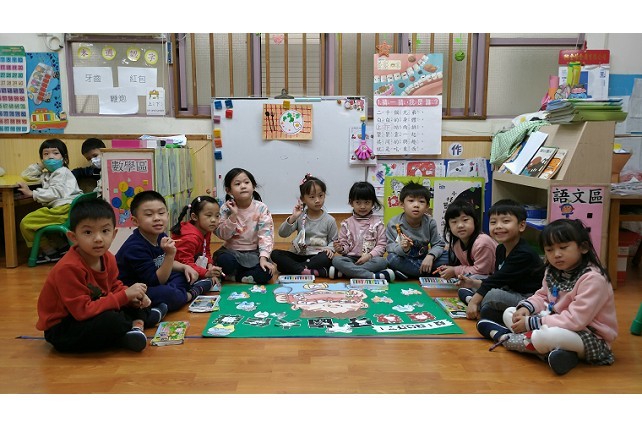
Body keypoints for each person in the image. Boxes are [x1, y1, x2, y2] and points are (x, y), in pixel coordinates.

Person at [476, 219, 618, 376]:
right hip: (554, 322)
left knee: (545, 336)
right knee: (510, 312)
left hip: (588, 336)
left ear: (583, 247)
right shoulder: (553, 271)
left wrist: (532, 323)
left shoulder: (593, 279)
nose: (556, 255)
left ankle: (503, 337)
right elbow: (543, 296)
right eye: (549, 250)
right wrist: (526, 308)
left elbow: (575, 320)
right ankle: (560, 354)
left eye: (563, 248)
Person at [36, 198, 168, 353]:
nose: (98, 239)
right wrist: (124, 296)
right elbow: (82, 311)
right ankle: (134, 327)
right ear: (73, 237)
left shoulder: (108, 258)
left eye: (105, 231)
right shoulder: (68, 268)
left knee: (137, 299)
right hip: (64, 327)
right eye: (88, 232)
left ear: (114, 234)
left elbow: (114, 286)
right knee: (112, 320)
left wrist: (133, 297)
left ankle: (137, 322)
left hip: (92, 310)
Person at [115, 190, 209, 312]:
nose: (157, 218)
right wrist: (170, 255)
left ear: (167, 215)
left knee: (183, 275)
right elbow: (156, 281)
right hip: (135, 289)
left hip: (155, 281)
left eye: (161, 213)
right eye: (149, 214)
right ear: (135, 221)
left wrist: (184, 267)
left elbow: (165, 264)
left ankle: (165, 303)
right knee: (167, 293)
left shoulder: (160, 235)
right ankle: (191, 294)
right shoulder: (135, 247)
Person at [457, 199, 544, 322]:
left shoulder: (524, 253)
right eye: (493, 222)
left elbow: (495, 282)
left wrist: (474, 302)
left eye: (506, 221)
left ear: (521, 226)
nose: (498, 226)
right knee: (474, 279)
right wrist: (472, 283)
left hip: (528, 298)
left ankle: (477, 303)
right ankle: (482, 305)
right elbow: (497, 279)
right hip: (508, 289)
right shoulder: (500, 248)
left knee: (492, 295)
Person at [17, 138, 83, 264]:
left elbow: (55, 192)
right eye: (46, 154)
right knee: (43, 222)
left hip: (64, 210)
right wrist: (41, 165)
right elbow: (26, 175)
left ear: (64, 158)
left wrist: (32, 193)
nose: (51, 157)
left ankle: (49, 251)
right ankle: (62, 247)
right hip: (63, 209)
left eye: (55, 153)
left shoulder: (62, 172)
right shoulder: (48, 174)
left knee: (26, 223)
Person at [213, 168, 275, 284]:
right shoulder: (226, 208)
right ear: (228, 191)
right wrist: (233, 215)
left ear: (253, 186)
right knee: (225, 261)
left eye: (246, 182)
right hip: (231, 252)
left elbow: (266, 235)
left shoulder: (261, 208)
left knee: (266, 272)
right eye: (237, 184)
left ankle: (235, 276)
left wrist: (263, 258)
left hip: (254, 253)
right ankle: (243, 275)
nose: (243, 186)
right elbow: (223, 235)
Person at [271, 174, 338, 277]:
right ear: (303, 199)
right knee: (275, 254)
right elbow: (282, 234)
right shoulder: (300, 217)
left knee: (326, 257)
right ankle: (314, 271)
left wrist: (330, 248)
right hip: (299, 254)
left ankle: (296, 269)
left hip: (317, 257)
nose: (317, 200)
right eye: (312, 197)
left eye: (320, 195)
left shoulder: (330, 220)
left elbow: (334, 241)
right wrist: (293, 217)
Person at [332, 181, 393, 280]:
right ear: (351, 203)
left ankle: (347, 273)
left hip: (370, 259)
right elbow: (345, 246)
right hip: (351, 259)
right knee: (336, 260)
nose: (362, 206)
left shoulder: (378, 223)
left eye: (367, 202)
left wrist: (369, 256)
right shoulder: (346, 224)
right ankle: (371, 276)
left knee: (382, 262)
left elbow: (382, 246)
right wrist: (340, 249)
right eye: (358, 202)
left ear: (373, 203)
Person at [385, 181, 446, 280]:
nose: (416, 205)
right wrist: (403, 248)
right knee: (391, 259)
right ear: (401, 204)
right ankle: (427, 273)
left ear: (427, 206)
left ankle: (409, 273)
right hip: (404, 259)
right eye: (411, 201)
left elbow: (438, 244)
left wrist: (430, 256)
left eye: (421, 201)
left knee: (450, 256)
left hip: (424, 259)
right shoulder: (393, 223)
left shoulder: (430, 222)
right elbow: (390, 247)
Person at [170, 195, 224, 291]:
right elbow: (185, 263)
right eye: (209, 215)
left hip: (194, 266)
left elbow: (206, 251)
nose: (213, 220)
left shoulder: (206, 230)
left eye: (217, 216)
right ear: (194, 217)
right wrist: (206, 273)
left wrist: (210, 266)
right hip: (179, 271)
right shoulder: (190, 238)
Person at [434, 199, 497, 281]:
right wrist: (449, 269)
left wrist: (455, 270)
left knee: (472, 278)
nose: (460, 225)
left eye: (465, 220)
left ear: (474, 221)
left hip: (495, 278)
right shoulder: (457, 245)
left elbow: (482, 271)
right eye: (454, 222)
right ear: (449, 227)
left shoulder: (482, 242)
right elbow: (468, 267)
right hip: (480, 277)